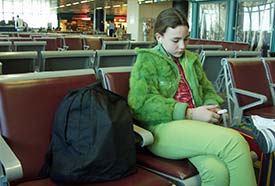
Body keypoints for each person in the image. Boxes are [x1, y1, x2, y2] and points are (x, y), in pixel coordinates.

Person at [128, 8, 257, 186]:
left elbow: (207, 90)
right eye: (175, 40)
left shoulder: (191, 60)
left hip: (194, 127)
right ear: (159, 37)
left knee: (216, 171)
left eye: (186, 39)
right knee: (235, 143)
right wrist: (190, 113)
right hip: (162, 129)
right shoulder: (147, 61)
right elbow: (140, 104)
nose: (182, 46)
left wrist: (212, 107)